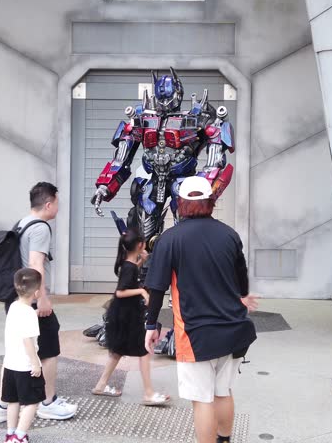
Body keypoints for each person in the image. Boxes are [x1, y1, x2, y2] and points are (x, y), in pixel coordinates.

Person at [143, 176, 258, 443]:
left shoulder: (169, 239)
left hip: (194, 334)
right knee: (223, 392)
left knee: (202, 399)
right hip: (233, 329)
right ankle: (224, 440)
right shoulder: (229, 235)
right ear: (210, 202)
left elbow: (156, 288)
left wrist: (151, 325)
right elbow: (242, 276)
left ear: (181, 203)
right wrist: (243, 297)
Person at [0, 182, 77, 422]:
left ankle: (3, 406)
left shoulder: (22, 223)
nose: (58, 207)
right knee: (48, 350)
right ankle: (48, 402)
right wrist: (43, 298)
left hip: (16, 298)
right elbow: (35, 264)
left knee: (14, 353)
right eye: (57, 202)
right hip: (32, 301)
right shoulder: (40, 228)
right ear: (48, 204)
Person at [91, 228, 171, 406]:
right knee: (144, 351)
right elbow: (120, 292)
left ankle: (101, 385)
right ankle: (148, 394)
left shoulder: (129, 264)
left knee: (117, 351)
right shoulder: (128, 267)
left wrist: (141, 261)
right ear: (140, 245)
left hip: (123, 315)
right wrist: (142, 291)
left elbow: (130, 277)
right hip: (127, 316)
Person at [1, 268, 46, 443]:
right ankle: (19, 436)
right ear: (36, 293)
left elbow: (20, 326)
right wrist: (35, 363)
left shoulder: (14, 307)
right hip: (26, 366)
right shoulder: (29, 314)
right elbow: (28, 341)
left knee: (13, 401)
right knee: (32, 402)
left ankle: (10, 434)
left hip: (10, 364)